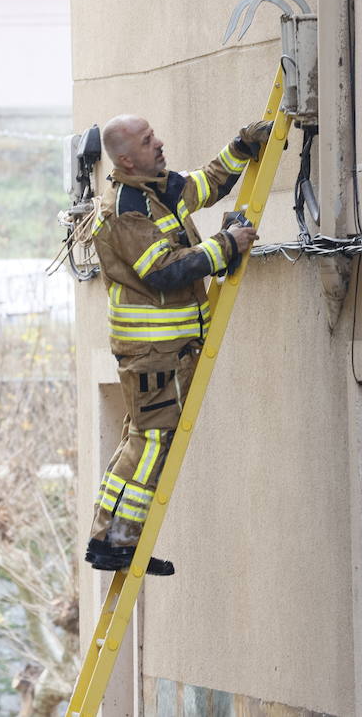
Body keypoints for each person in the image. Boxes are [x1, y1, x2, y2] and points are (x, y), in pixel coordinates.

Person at [84, 114, 271, 574]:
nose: (160, 143)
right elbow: (164, 270)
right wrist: (225, 245)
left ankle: (112, 538)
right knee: (151, 442)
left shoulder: (156, 188)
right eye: (149, 141)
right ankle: (120, 542)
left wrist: (240, 147)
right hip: (154, 353)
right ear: (126, 158)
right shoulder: (128, 208)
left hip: (165, 351)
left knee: (141, 437)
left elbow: (204, 185)